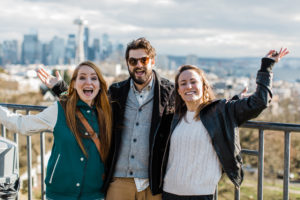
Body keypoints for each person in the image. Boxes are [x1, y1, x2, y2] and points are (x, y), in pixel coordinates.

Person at [37, 38, 175, 200]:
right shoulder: (116, 92)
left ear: (152, 61)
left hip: (153, 183)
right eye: (133, 61)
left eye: (143, 60)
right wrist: (61, 89)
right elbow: (90, 103)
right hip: (119, 181)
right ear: (127, 64)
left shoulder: (170, 92)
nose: (138, 65)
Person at [159, 48, 289, 200]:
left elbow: (259, 102)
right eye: (183, 83)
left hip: (201, 194)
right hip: (169, 192)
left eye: (193, 82)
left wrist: (266, 66)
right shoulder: (174, 118)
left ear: (203, 86)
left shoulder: (221, 112)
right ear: (179, 91)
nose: (188, 86)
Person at [0, 61, 112, 200]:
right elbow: (22, 124)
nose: (88, 82)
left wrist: (60, 88)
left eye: (94, 78)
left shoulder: (109, 112)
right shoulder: (59, 110)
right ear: (74, 84)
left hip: (95, 195)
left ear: (100, 84)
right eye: (82, 77)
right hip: (59, 194)